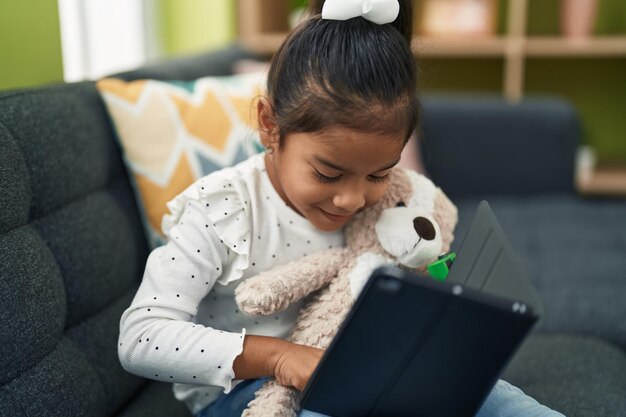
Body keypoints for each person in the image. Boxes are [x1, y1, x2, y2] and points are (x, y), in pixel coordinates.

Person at [118, 1, 565, 416]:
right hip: (249, 394)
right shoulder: (221, 210)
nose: (352, 201)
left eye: (377, 174)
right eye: (328, 174)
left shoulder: (394, 200)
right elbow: (141, 337)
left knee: (496, 398)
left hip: (366, 367)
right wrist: (279, 356)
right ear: (271, 127)